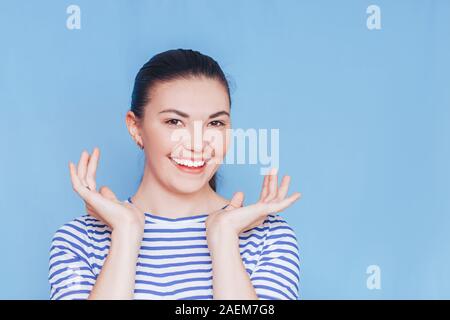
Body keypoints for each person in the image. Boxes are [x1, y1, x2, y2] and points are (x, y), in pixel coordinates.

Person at [48, 49, 302, 300]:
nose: (197, 143)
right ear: (136, 128)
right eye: (174, 122)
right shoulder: (80, 240)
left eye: (215, 123)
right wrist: (126, 232)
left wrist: (224, 238)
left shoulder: (267, 237)